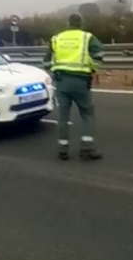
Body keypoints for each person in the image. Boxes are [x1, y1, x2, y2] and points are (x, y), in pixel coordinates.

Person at [43, 13, 104, 161]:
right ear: (81, 23)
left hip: (62, 82)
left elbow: (46, 62)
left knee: (63, 116)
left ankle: (62, 150)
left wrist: (56, 70)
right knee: (87, 114)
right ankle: (86, 149)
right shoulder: (87, 37)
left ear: (67, 23)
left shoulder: (57, 38)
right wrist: (93, 69)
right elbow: (99, 54)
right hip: (81, 82)